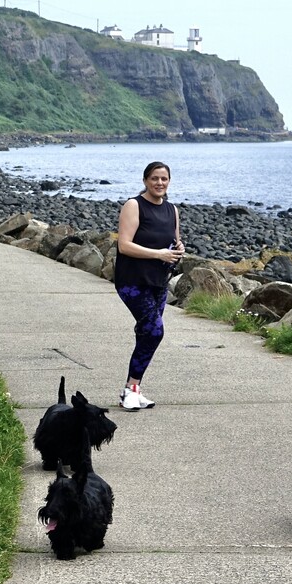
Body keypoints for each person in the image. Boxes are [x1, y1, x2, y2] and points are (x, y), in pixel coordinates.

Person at [114, 161, 185, 411]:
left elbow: (173, 241)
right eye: (154, 178)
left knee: (146, 333)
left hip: (158, 282)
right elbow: (124, 245)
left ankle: (132, 390)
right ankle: (131, 388)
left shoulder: (172, 210)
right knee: (155, 331)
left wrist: (178, 249)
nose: (159, 183)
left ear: (169, 182)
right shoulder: (134, 205)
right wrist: (157, 254)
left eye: (164, 179)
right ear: (145, 180)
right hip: (132, 281)